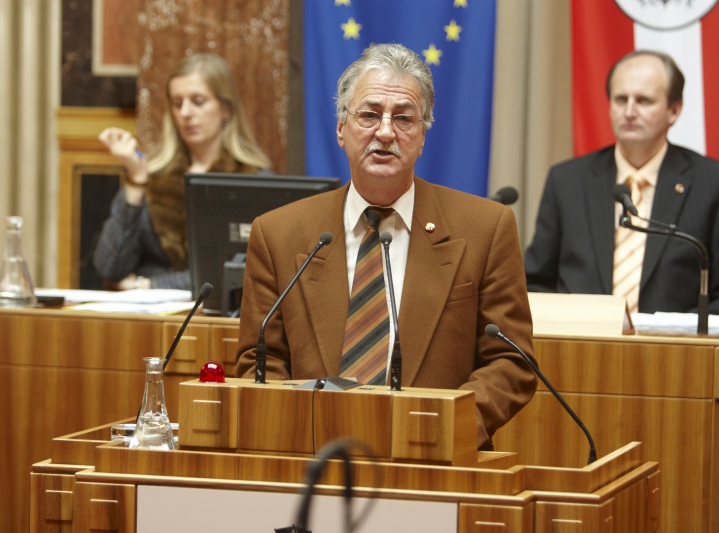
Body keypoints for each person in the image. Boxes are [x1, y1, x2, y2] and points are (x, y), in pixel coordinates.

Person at [235, 43, 537, 450]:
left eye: (404, 118)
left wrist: (445, 427)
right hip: (314, 460)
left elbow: (511, 363)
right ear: (341, 129)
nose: (385, 132)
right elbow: (259, 363)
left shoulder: (486, 228)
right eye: (370, 114)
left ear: (422, 136)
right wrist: (302, 429)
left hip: (437, 462)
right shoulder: (278, 234)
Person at [524, 50, 719, 318]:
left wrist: (673, 330)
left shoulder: (715, 185)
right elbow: (533, 285)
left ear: (674, 110)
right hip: (580, 353)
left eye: (644, 101)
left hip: (674, 356)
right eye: (620, 99)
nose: (629, 111)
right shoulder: (567, 181)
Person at [93, 53, 271, 290]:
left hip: (217, 321)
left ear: (225, 109)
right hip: (148, 322)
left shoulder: (253, 180)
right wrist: (136, 181)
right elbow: (110, 267)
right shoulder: (154, 175)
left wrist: (145, 286)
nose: (186, 112)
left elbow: (238, 274)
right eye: (178, 103)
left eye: (198, 101)